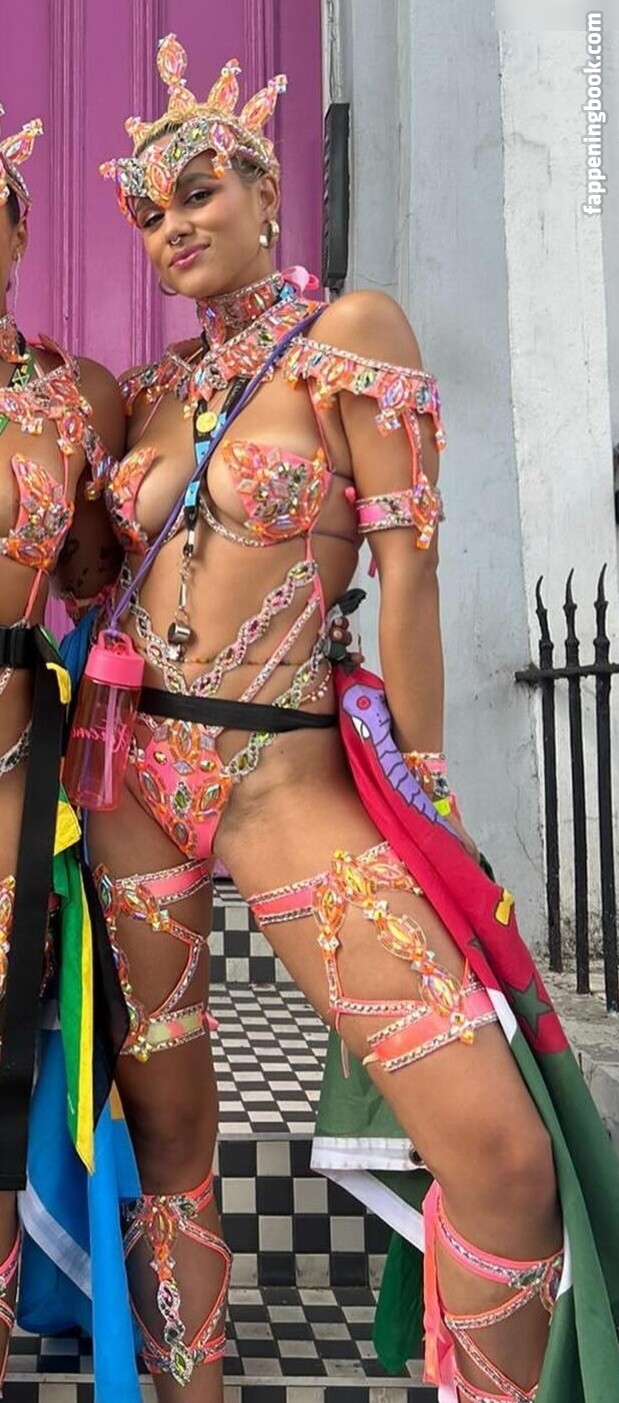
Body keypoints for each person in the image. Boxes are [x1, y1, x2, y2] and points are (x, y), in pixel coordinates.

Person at [90, 34, 619, 1403]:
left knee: (498, 1155)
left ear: (269, 192)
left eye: (199, 191)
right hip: (130, 783)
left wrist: (426, 787)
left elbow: (409, 574)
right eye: (147, 212)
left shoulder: (351, 336)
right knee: (171, 1147)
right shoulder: (154, 392)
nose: (171, 227)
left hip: (285, 780)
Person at [0, 102, 124, 1388]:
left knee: (3, 1054)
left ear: (18, 228)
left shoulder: (74, 395)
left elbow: (104, 574)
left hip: (14, 762)